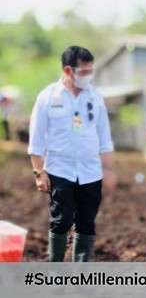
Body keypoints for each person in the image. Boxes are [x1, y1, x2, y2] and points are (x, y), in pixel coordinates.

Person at [28, 46, 116, 262]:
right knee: (61, 220)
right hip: (60, 169)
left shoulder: (95, 98)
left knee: (87, 222)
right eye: (84, 72)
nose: (89, 77)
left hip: (91, 171)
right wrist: (39, 173)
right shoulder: (47, 97)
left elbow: (105, 138)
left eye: (90, 71)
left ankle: (80, 277)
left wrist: (109, 170)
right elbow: (36, 140)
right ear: (68, 70)